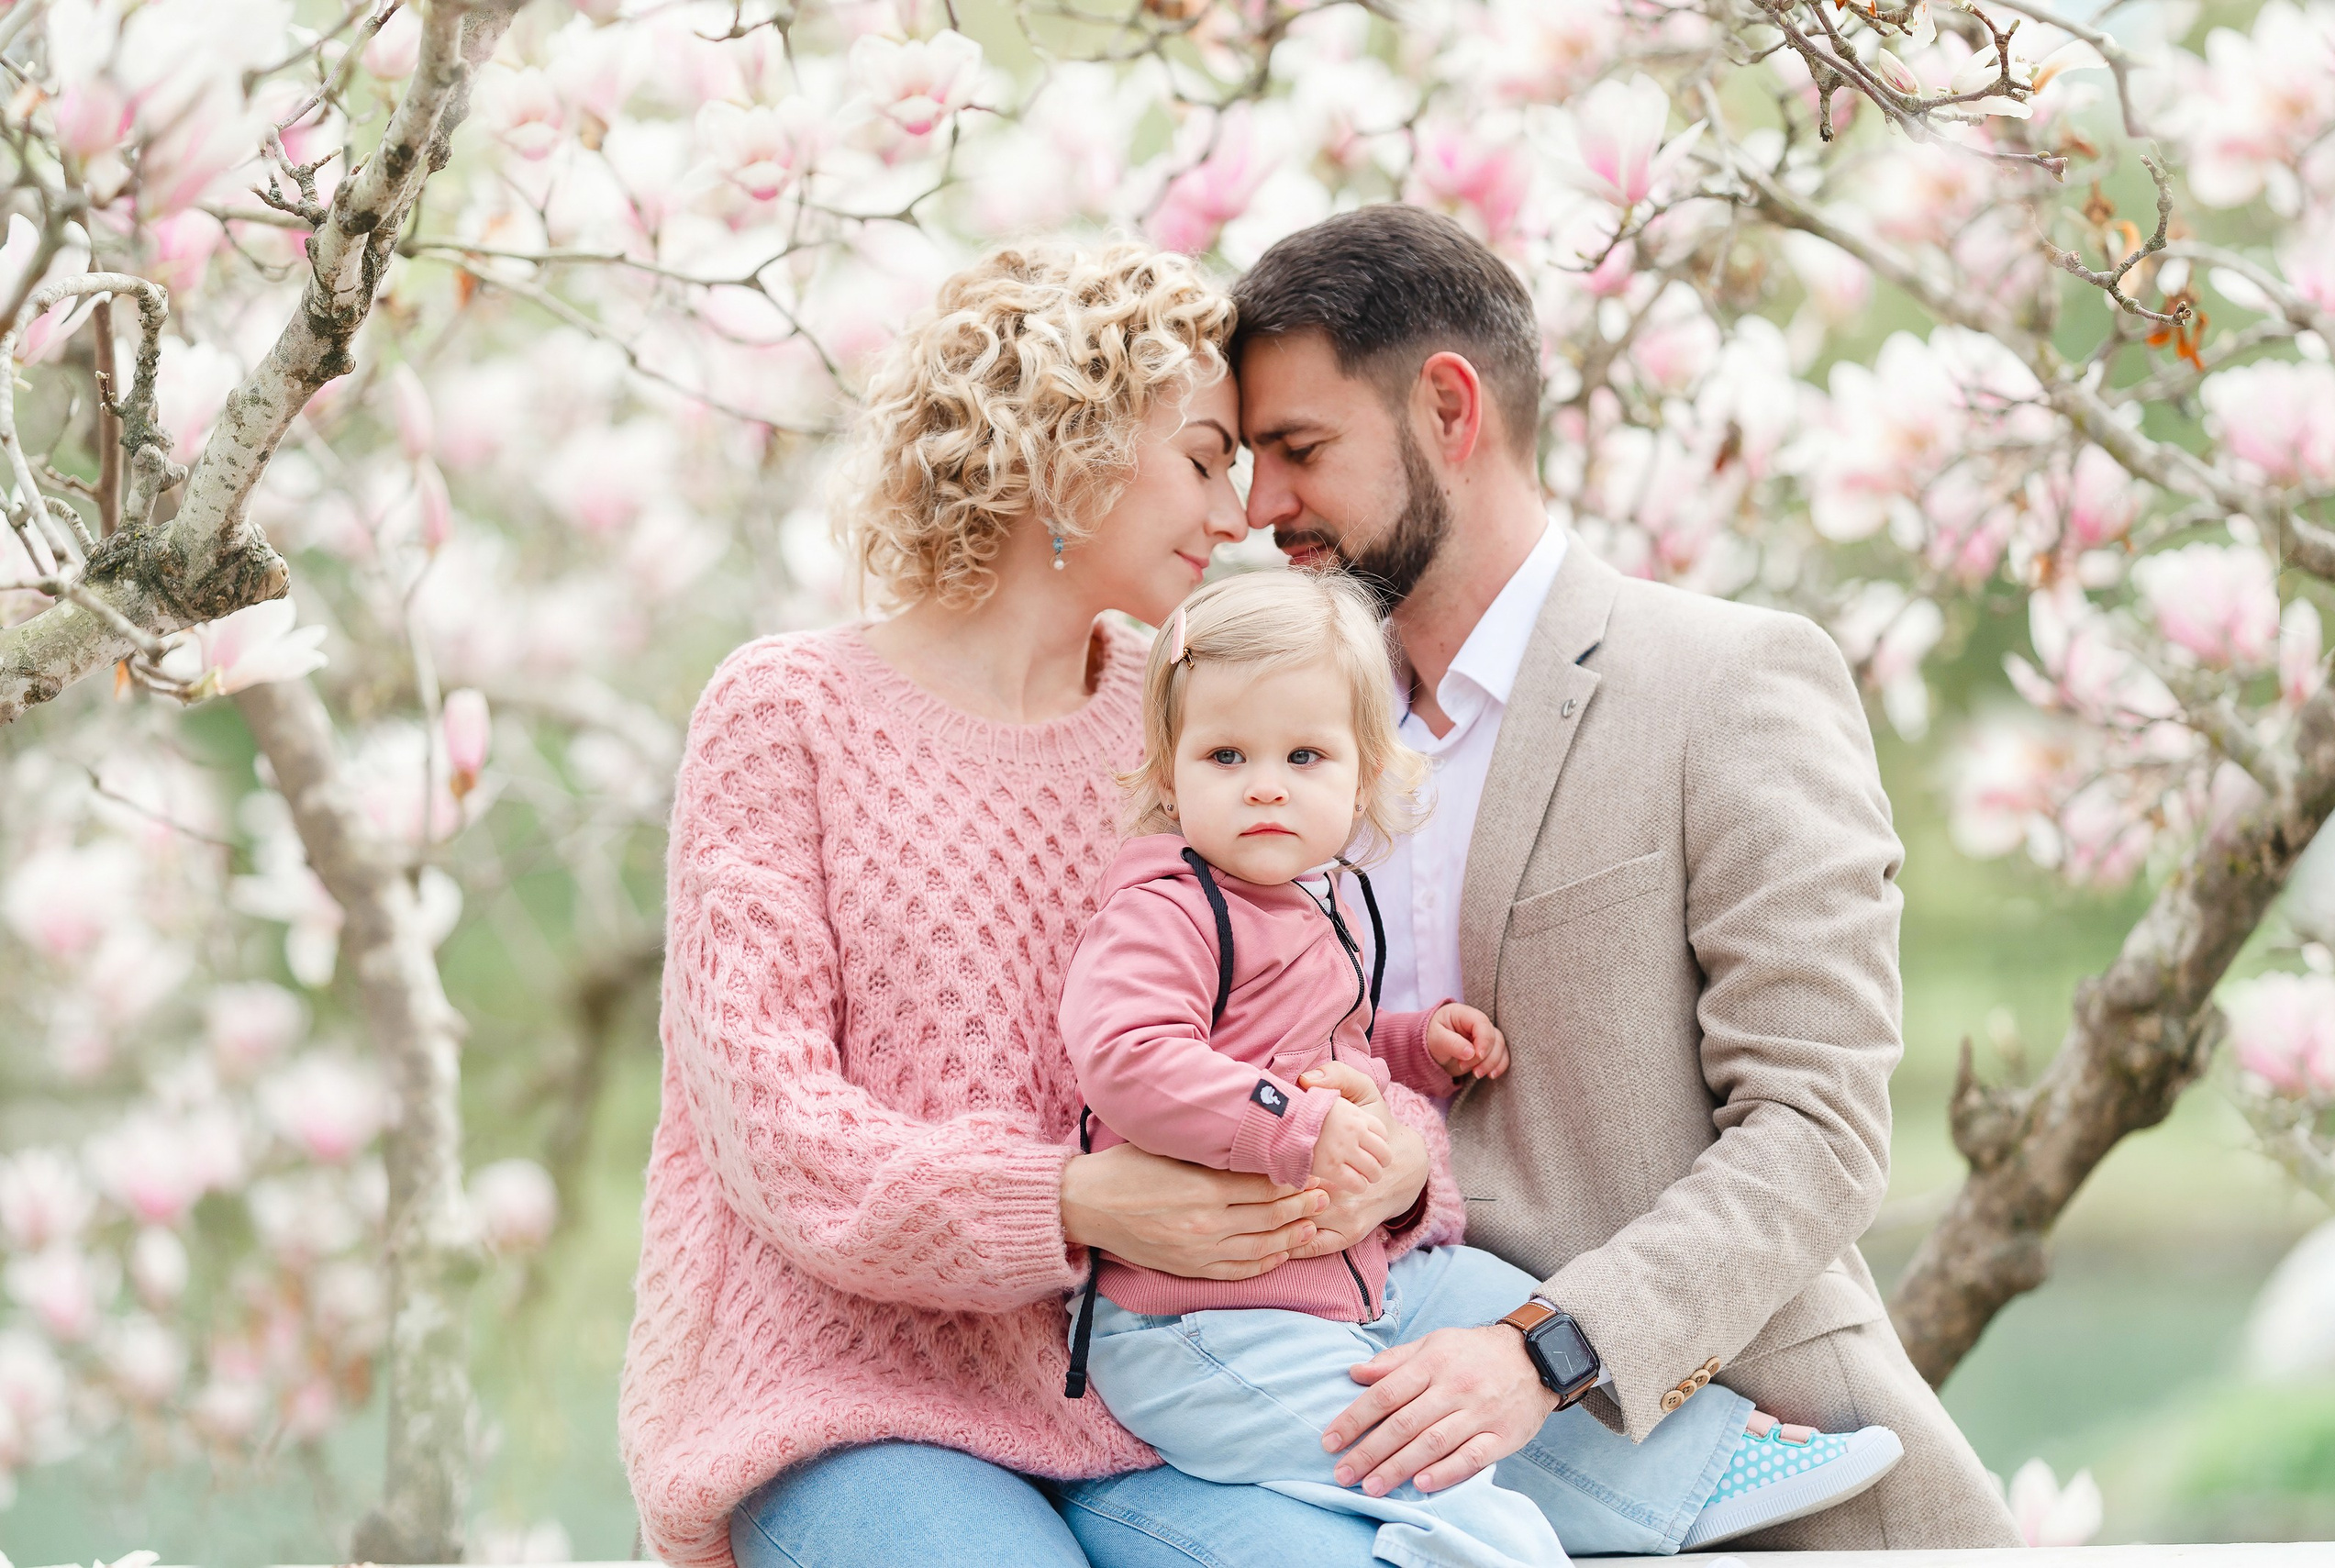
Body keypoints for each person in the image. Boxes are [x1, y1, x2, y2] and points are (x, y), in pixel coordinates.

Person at [618, 239, 1453, 1568]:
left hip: (1153, 1393)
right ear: (1061, 445)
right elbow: (774, 1132)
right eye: (1200, 457)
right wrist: (1074, 1202)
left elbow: (1315, 1017)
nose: (1238, 513)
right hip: (854, 1402)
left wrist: (1402, 1162)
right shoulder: (786, 712)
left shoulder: (1181, 722)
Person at [1224, 204, 2026, 1550]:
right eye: (1249, 459)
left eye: (1298, 450)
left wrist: (1543, 1350)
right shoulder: (1273, 753)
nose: (1262, 510)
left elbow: (1818, 1131)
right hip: (1393, 1491)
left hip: (1746, 1484)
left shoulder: (1731, 681)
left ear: (1447, 409)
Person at [1060, 569, 1905, 1568]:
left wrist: (1414, 1045)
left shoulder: (1305, 900)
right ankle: (1502, 1534)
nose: (1265, 783)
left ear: (1364, 774)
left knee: (1491, 1295)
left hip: (1340, 1281)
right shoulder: (1169, 907)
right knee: (1437, 1467)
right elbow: (1127, 1054)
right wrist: (1290, 1121)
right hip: (1196, 1327)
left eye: (1304, 755)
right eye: (1226, 754)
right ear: (1169, 774)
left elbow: (1321, 1038)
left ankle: (1685, 1473)